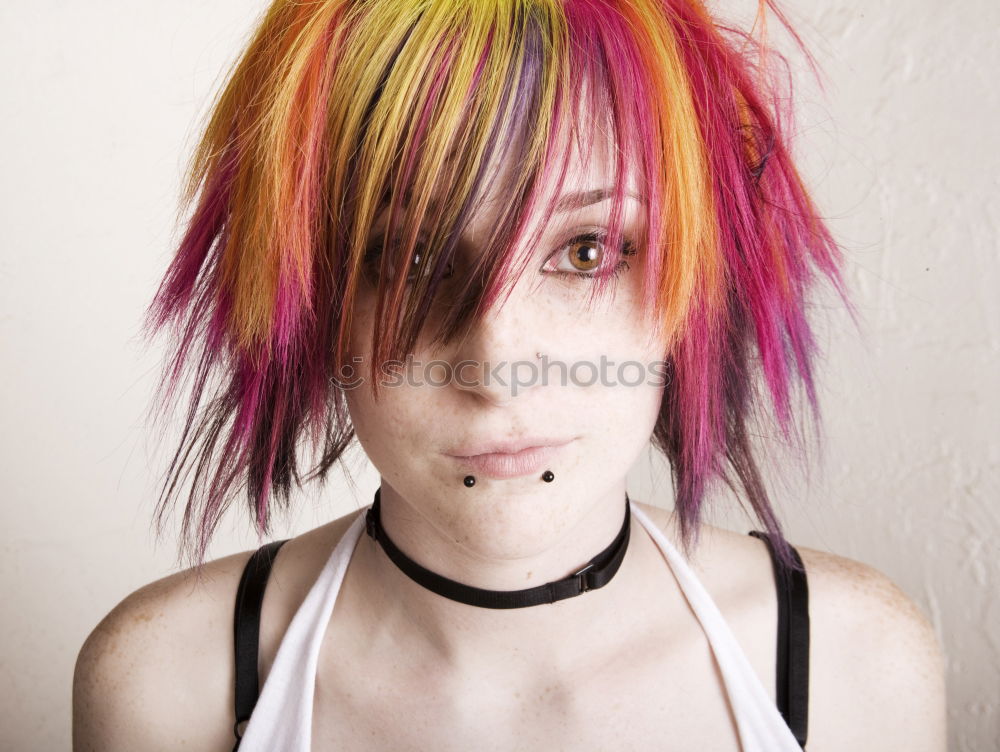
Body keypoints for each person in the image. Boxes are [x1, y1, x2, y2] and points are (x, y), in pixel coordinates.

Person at [73, 1, 946, 749]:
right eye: (410, 257)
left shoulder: (854, 663)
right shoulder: (165, 685)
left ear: (695, 283)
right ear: (314, 294)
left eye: (586, 249)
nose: (497, 366)